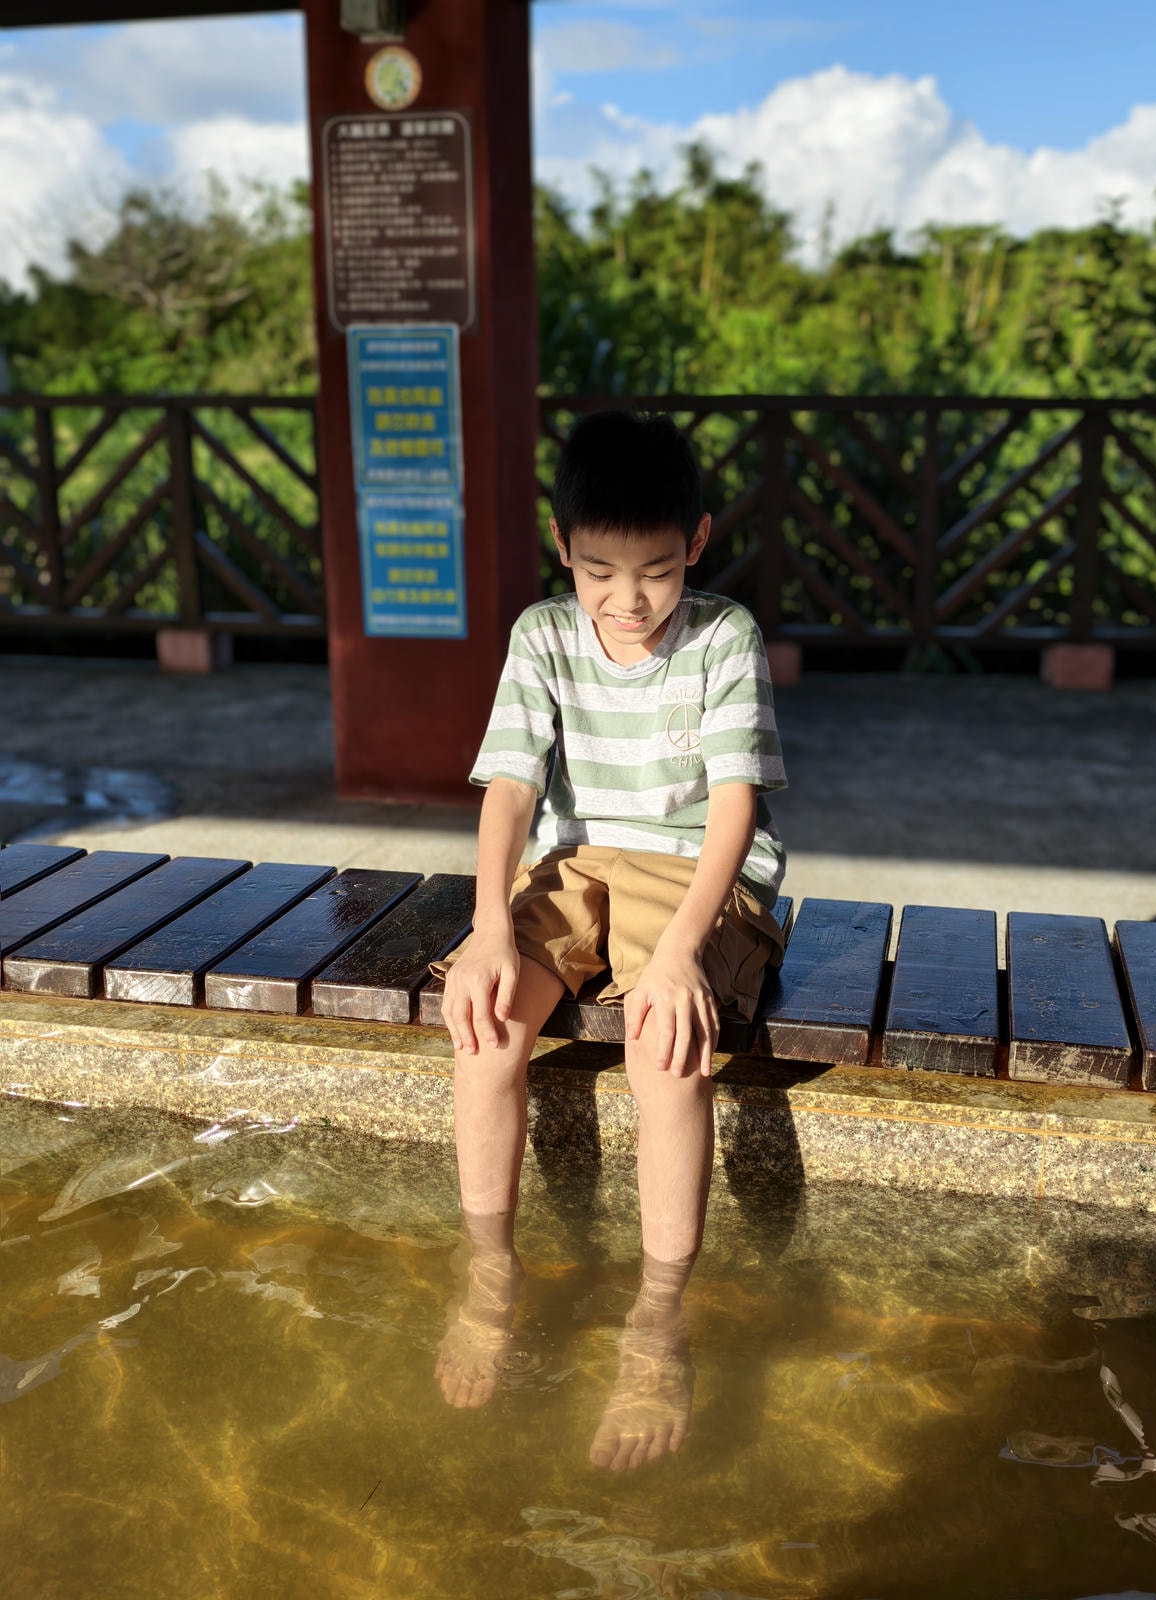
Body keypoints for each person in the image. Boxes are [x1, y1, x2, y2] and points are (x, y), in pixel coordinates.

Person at [433, 409, 788, 1470]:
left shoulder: (725, 636)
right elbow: (509, 789)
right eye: (597, 571)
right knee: (487, 1026)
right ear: (561, 547)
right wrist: (492, 925)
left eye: (655, 571)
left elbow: (733, 808)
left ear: (698, 541)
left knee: (663, 1050)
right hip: (574, 864)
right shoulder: (541, 634)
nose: (626, 602)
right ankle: (489, 1271)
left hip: (696, 878)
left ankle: (658, 1320)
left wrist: (683, 950)